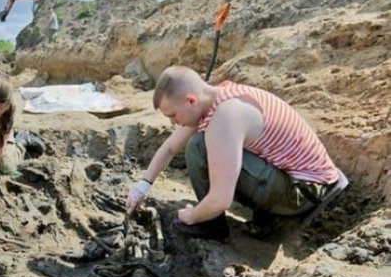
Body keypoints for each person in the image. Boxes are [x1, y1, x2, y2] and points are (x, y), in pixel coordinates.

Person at [126, 66, 348, 241]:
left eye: (173, 115)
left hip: (306, 192)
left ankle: (211, 226)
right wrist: (142, 186)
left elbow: (221, 199)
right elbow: (169, 147)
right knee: (202, 144)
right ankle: (266, 213)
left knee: (199, 147)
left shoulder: (226, 117)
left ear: (191, 100)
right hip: (303, 177)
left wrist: (191, 216)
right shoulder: (220, 97)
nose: (173, 122)